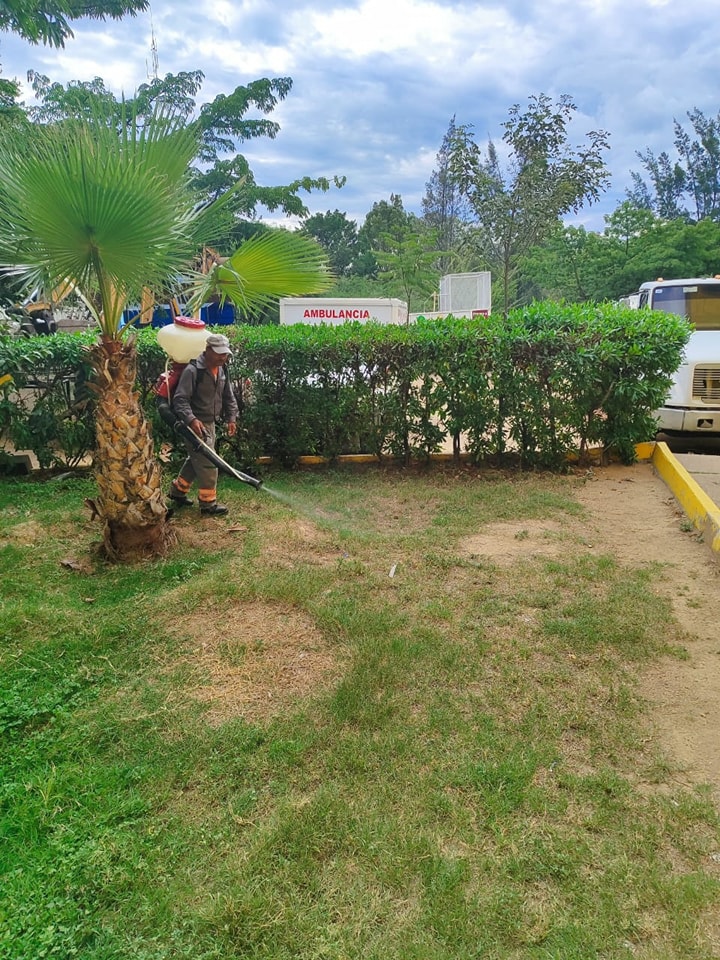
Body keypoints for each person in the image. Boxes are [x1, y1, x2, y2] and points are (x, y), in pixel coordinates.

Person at [167, 333, 239, 516]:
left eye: (225, 354)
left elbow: (228, 396)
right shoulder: (193, 371)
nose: (223, 357)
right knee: (208, 463)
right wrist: (191, 420)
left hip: (210, 424)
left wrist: (232, 417)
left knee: (197, 459)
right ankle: (208, 504)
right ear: (207, 350)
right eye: (219, 353)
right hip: (195, 427)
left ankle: (178, 491)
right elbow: (180, 400)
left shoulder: (222, 370)